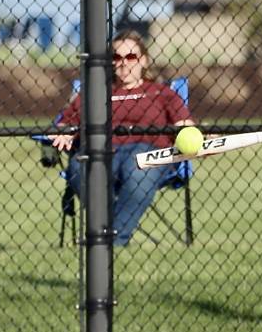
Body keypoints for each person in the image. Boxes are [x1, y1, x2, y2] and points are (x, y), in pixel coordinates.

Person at [50, 29, 195, 246]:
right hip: (99, 153)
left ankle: (110, 240)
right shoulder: (95, 91)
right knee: (79, 167)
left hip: (147, 154)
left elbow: (186, 127)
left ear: (144, 61)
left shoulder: (162, 93)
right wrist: (63, 132)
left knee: (137, 165)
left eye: (131, 57)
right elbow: (65, 122)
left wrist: (196, 138)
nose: (123, 63)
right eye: (116, 57)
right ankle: (110, 233)